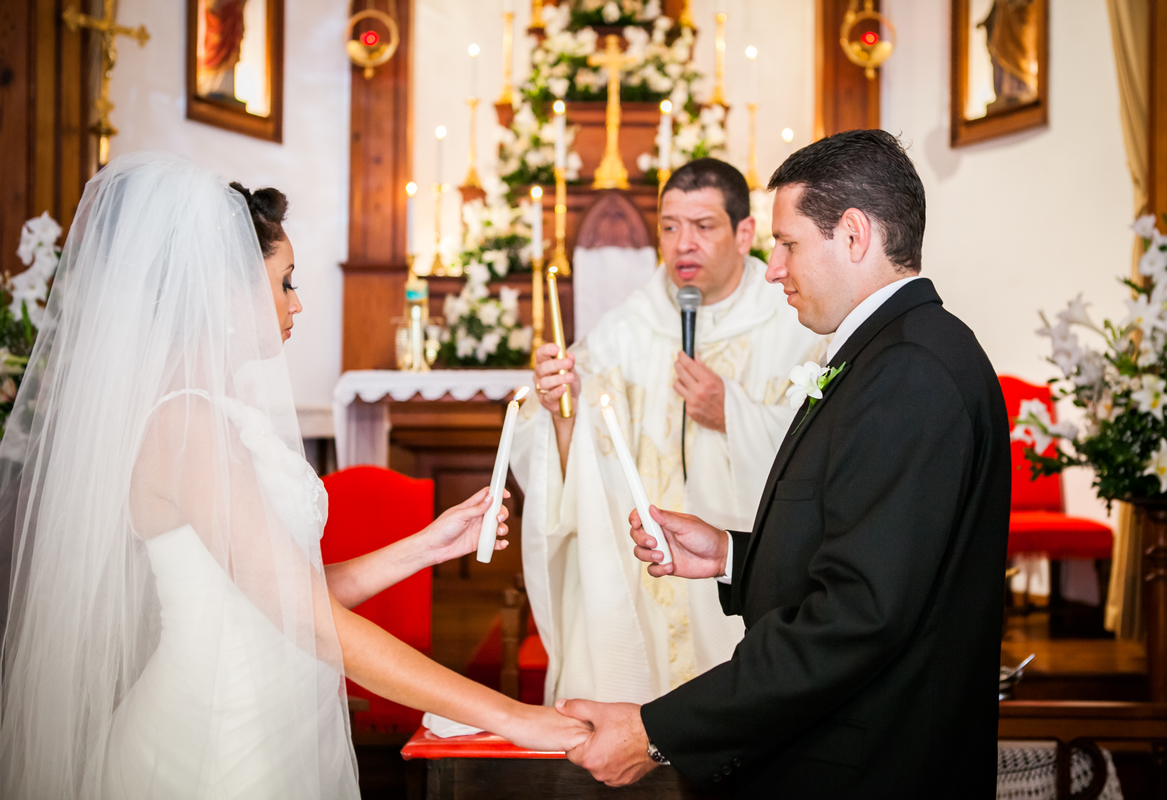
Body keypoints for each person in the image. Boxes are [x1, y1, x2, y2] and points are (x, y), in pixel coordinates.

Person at [0, 153, 587, 799]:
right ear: (220, 287)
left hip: (267, 723)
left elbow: (279, 590)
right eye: (283, 282)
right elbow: (304, 617)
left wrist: (426, 546)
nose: (298, 301)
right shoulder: (187, 423)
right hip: (213, 745)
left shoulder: (213, 412)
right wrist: (511, 715)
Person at [558, 130, 1011, 796]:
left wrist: (659, 731)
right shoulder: (896, 350)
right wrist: (732, 556)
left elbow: (856, 618)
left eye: (788, 243)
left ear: (853, 235)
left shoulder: (909, 371)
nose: (772, 268)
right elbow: (872, 556)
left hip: (873, 764)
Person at [510, 158, 823, 706]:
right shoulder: (627, 327)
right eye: (670, 227)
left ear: (745, 232)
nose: (683, 244)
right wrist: (563, 408)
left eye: (703, 227)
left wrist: (733, 413)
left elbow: (828, 450)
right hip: (644, 574)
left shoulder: (794, 320)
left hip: (738, 570)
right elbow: (572, 456)